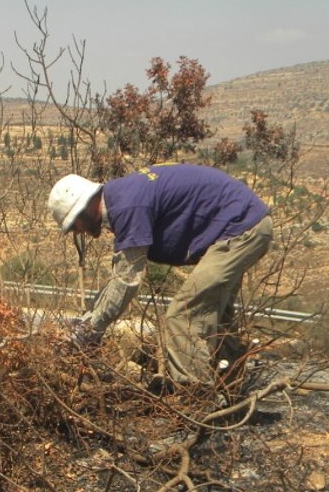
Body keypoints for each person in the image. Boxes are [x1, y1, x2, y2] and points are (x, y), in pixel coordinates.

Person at [47, 163, 272, 385]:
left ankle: (196, 402)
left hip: (241, 228)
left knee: (182, 315)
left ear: (83, 208)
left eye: (73, 225)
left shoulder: (126, 207)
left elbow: (126, 281)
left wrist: (91, 329)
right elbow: (119, 275)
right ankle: (230, 391)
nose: (77, 231)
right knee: (216, 315)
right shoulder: (122, 198)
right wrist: (88, 321)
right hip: (245, 224)